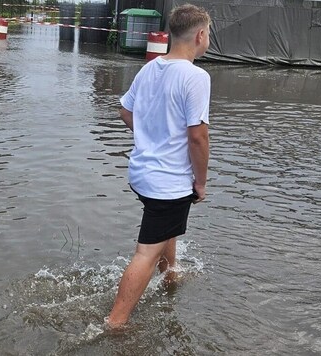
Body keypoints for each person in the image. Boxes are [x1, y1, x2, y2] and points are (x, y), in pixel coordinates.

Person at [106, 4, 212, 329]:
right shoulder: (196, 77)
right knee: (145, 254)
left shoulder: (150, 68)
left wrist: (150, 137)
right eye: (209, 34)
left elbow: (125, 110)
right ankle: (115, 322)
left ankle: (170, 277)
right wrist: (201, 181)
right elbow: (198, 137)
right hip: (168, 183)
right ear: (200, 35)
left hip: (143, 175)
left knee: (166, 226)